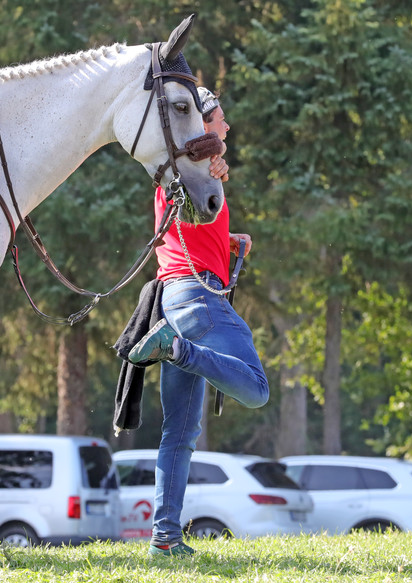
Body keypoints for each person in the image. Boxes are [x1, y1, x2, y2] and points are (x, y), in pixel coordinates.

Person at [127, 87, 270, 557]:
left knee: (180, 433)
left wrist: (228, 241)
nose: (227, 128)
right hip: (197, 297)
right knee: (255, 389)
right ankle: (178, 348)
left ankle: (165, 540)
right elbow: (187, 217)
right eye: (221, 121)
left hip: (176, 299)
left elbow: (186, 228)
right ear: (203, 124)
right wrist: (215, 165)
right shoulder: (194, 169)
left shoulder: (188, 174)